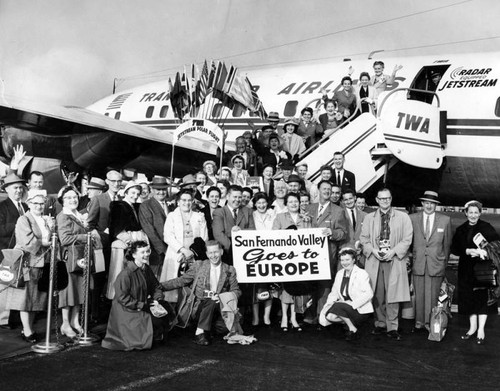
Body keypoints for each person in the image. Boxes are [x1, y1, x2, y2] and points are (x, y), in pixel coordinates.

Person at [162, 240, 241, 346]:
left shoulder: (230, 270)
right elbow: (181, 281)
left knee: (221, 327)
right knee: (210, 301)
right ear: (207, 254)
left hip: (220, 308)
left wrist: (222, 297)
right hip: (199, 307)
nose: (213, 255)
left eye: (216, 252)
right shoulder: (199, 266)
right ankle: (199, 332)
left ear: (221, 252)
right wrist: (160, 286)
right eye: (211, 253)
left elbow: (237, 291)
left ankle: (207, 329)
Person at [359, 188, 413, 341]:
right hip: (375, 260)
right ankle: (380, 323)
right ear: (377, 200)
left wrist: (394, 251)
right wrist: (373, 251)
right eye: (382, 199)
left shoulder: (403, 217)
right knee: (377, 292)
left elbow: (407, 239)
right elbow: (364, 239)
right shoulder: (370, 218)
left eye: (387, 198)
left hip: (394, 260)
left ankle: (393, 326)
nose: (385, 201)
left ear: (391, 199)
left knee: (393, 294)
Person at [102, 241, 173, 351]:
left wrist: (157, 299)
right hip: (127, 310)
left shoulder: (146, 269)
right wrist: (143, 305)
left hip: (141, 304)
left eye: (147, 251)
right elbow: (123, 298)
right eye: (142, 252)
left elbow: (156, 286)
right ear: (134, 255)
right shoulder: (125, 274)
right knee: (153, 323)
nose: (146, 254)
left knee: (166, 312)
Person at [4, 190, 53, 342]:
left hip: (42, 261)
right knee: (26, 298)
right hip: (28, 263)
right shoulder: (23, 219)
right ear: (29, 204)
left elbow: (51, 238)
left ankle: (29, 328)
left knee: (36, 298)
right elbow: (27, 241)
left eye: (41, 203)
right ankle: (27, 330)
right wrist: (44, 243)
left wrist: (51, 228)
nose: (39, 206)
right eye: (35, 203)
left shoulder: (45, 219)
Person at [451, 200, 500, 344]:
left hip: (483, 269)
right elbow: (454, 248)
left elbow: (497, 245)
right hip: (466, 269)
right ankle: (472, 328)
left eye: (476, 212)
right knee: (468, 299)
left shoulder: (486, 227)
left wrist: (483, 251)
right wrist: (467, 250)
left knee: (481, 299)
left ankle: (481, 330)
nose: (473, 215)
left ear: (480, 213)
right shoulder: (460, 229)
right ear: (466, 213)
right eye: (470, 212)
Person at [57, 186, 100, 338]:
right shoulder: (63, 216)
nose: (73, 200)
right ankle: (65, 324)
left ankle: (75, 322)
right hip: (69, 259)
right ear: (63, 200)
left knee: (79, 292)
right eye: (68, 197)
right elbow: (65, 239)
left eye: (74, 197)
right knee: (68, 293)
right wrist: (86, 237)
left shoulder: (77, 215)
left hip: (81, 258)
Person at [305, 180, 348, 326]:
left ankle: (321, 316)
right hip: (308, 255)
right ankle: (309, 314)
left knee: (324, 287)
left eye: (329, 189)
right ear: (318, 190)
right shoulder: (309, 208)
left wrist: (332, 232)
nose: (327, 191)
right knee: (309, 285)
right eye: (324, 189)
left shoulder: (338, 211)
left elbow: (343, 233)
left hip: (327, 255)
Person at [409, 191, 452, 332]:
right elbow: (409, 242)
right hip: (419, 262)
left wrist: (443, 263)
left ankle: (430, 322)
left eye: (432, 203)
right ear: (422, 203)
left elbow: (447, 245)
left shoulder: (445, 220)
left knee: (433, 295)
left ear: (436, 205)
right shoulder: (412, 218)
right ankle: (419, 322)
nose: (429, 206)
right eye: (426, 202)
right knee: (419, 293)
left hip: (436, 264)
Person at [273, 192, 312, 332]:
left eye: (296, 201)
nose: (294, 204)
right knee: (286, 288)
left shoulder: (306, 219)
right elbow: (274, 236)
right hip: (285, 257)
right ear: (286, 204)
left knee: (297, 287)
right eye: (291, 202)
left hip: (301, 258)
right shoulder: (279, 217)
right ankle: (284, 317)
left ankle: (294, 318)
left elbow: (311, 237)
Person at [160, 189, 208, 303]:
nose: (186, 203)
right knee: (173, 285)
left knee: (193, 285)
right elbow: (168, 236)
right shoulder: (172, 216)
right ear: (178, 201)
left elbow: (204, 238)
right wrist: (182, 250)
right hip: (176, 255)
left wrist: (192, 252)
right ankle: (173, 312)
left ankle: (189, 313)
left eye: (189, 200)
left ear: (193, 202)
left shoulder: (199, 216)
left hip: (194, 256)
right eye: (184, 200)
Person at [319, 248, 374, 341]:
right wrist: (327, 306)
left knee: (337, 306)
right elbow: (334, 293)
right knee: (329, 316)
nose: (344, 263)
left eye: (347, 260)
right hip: (344, 307)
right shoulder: (339, 274)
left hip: (359, 309)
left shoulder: (361, 273)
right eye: (342, 260)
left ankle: (352, 327)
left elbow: (369, 293)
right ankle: (350, 325)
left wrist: (352, 304)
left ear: (353, 260)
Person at [107, 181, 145, 300]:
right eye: (132, 193)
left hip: (135, 240)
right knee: (122, 270)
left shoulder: (136, 206)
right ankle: (120, 296)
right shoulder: (119, 206)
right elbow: (116, 227)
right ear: (126, 193)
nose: (135, 196)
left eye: (137, 194)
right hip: (125, 242)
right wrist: (128, 241)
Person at [0, 174, 27, 329]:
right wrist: (18, 224)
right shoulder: (2, 207)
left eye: (20, 188)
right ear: (7, 190)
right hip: (5, 252)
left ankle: (15, 317)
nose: (18, 190)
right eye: (15, 188)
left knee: (17, 285)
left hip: (22, 253)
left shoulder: (25, 206)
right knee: (5, 285)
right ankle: (3, 320)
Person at [212, 185, 255, 265]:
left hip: (245, 249)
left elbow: (252, 230)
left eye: (239, 197)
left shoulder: (248, 211)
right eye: (235, 197)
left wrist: (240, 231)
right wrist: (234, 248)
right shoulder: (219, 212)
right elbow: (218, 234)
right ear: (227, 197)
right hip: (226, 251)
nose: (237, 200)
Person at [251, 192, 276, 327]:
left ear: (267, 203)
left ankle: (266, 316)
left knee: (269, 287)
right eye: (258, 203)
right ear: (255, 204)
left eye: (264, 202)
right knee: (256, 287)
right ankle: (256, 317)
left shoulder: (274, 214)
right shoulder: (252, 215)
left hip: (271, 254)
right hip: (256, 254)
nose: (261, 205)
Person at [138, 176, 170, 279]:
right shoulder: (146, 205)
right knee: (154, 282)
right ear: (152, 190)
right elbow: (150, 231)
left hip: (170, 251)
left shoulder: (170, 206)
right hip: (156, 254)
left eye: (164, 189)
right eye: (158, 189)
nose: (161, 192)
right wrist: (164, 250)